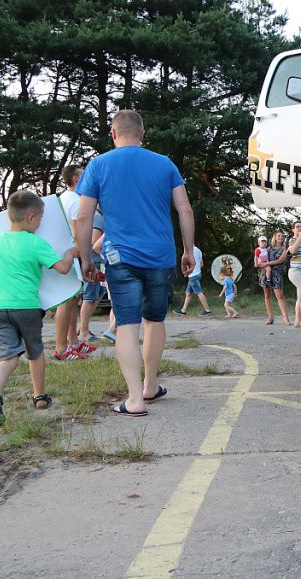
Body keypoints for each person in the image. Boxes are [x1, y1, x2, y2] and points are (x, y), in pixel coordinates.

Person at [75, 109, 196, 417]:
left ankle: (134, 399)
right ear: (142, 134)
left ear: (113, 133)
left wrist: (86, 257)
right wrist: (188, 251)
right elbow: (184, 209)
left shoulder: (98, 165)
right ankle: (150, 385)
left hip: (121, 257)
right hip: (160, 256)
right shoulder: (164, 163)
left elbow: (85, 216)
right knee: (155, 320)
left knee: (127, 324)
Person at [0, 191, 78, 427]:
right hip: (26, 307)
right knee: (35, 351)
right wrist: (71, 253)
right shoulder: (35, 242)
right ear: (31, 218)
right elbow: (62, 268)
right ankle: (39, 397)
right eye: (40, 218)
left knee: (8, 357)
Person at [54, 164, 94, 360]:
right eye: (83, 175)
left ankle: (73, 342)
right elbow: (78, 230)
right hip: (72, 252)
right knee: (68, 299)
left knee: (73, 298)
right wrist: (85, 256)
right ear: (76, 179)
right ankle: (62, 348)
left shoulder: (62, 198)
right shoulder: (77, 200)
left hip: (64, 251)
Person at [77, 208, 106, 342]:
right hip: (93, 261)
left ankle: (81, 327)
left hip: (90, 260)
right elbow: (94, 240)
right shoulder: (98, 217)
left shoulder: (92, 215)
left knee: (99, 292)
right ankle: (84, 332)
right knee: (89, 298)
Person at [257, 231, 290, 325]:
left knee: (279, 296)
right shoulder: (268, 248)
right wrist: (259, 263)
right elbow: (261, 256)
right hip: (266, 273)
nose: (280, 237)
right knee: (267, 295)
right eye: (278, 236)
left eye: (282, 236)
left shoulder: (285, 249)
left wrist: (266, 263)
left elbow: (280, 260)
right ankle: (270, 317)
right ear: (274, 237)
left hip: (277, 273)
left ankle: (285, 318)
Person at [175, 244, 212, 316]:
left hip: (193, 275)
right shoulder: (198, 250)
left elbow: (185, 263)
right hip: (197, 274)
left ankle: (207, 310)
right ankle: (183, 310)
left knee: (199, 292)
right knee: (188, 293)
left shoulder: (189, 251)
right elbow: (201, 264)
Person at [287, 221, 301, 328]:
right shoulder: (292, 240)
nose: (299, 228)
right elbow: (293, 250)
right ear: (293, 229)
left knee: (300, 297)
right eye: (297, 227)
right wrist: (300, 237)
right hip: (295, 271)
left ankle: (297, 321)